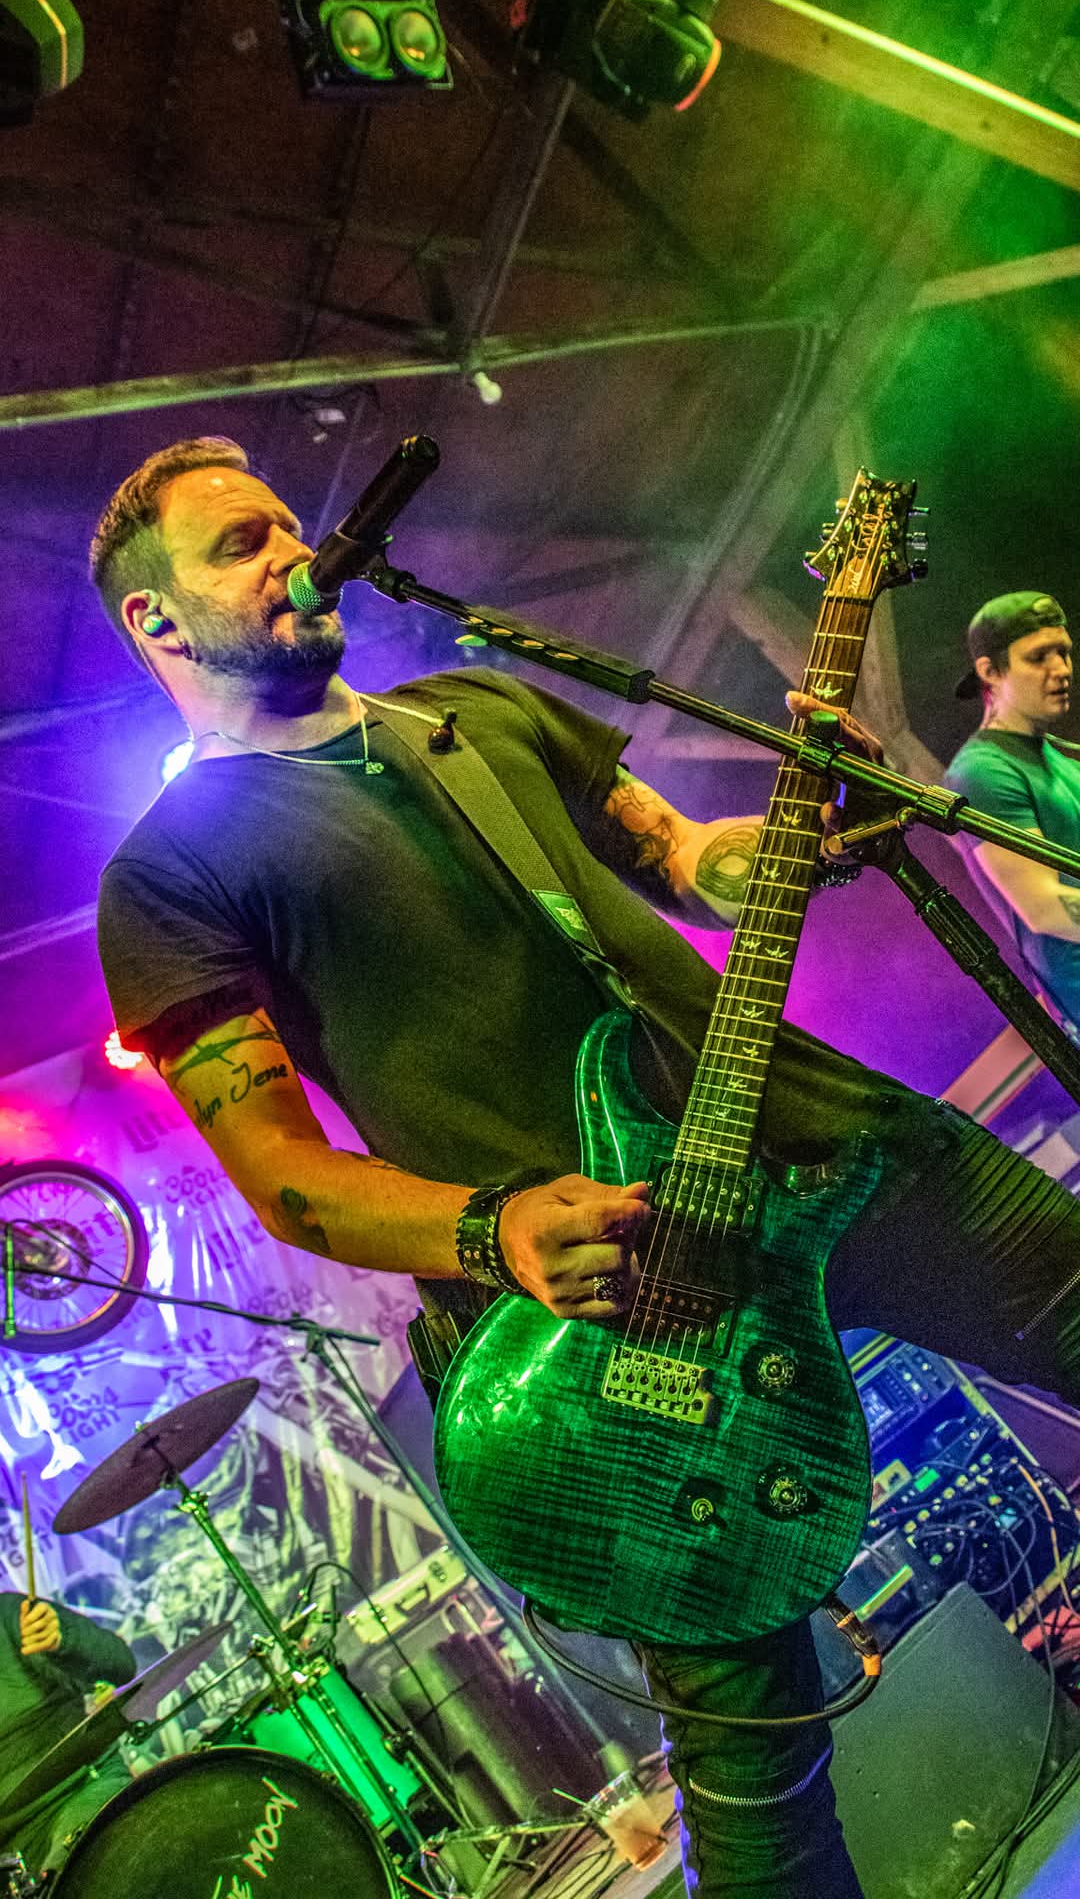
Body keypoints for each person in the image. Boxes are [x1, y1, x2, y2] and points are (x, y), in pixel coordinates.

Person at [92, 439, 1080, 1899]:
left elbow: (685, 862)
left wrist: (802, 831)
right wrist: (494, 1230)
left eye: (289, 524)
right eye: (241, 544)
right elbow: (286, 1180)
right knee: (757, 1774)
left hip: (822, 1144)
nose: (292, 550)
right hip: (616, 1320)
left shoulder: (476, 710)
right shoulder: (169, 873)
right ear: (159, 621)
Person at [945, 591, 1080, 1034]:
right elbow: (1044, 908)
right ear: (990, 672)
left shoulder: (1061, 757)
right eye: (1038, 657)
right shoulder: (982, 770)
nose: (1061, 669)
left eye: (1063, 652)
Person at [0, 1592, 135, 1878]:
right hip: (14, 1854)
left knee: (82, 1871)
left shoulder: (10, 1615)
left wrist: (63, 1640)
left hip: (83, 1788)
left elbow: (121, 1664)